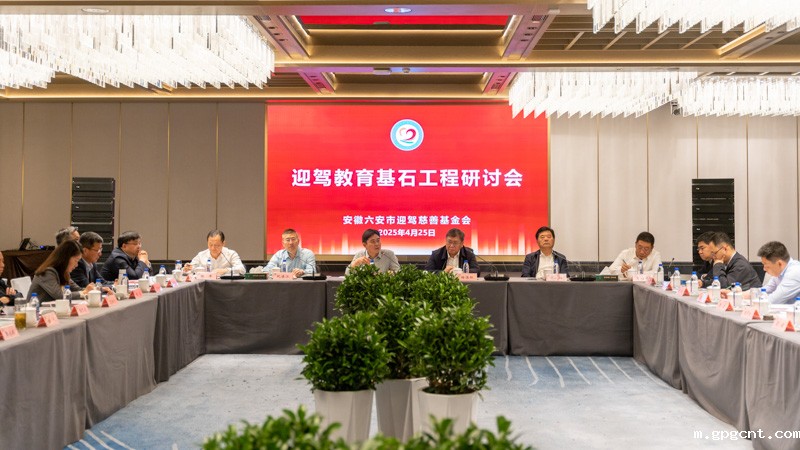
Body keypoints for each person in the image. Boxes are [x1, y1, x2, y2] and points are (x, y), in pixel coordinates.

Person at [27, 240, 97, 302]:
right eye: (76, 260)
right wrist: (84, 292)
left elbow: (78, 289)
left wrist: (93, 290)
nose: (76, 265)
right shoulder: (47, 272)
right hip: (38, 311)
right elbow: (59, 296)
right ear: (66, 258)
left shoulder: (64, 273)